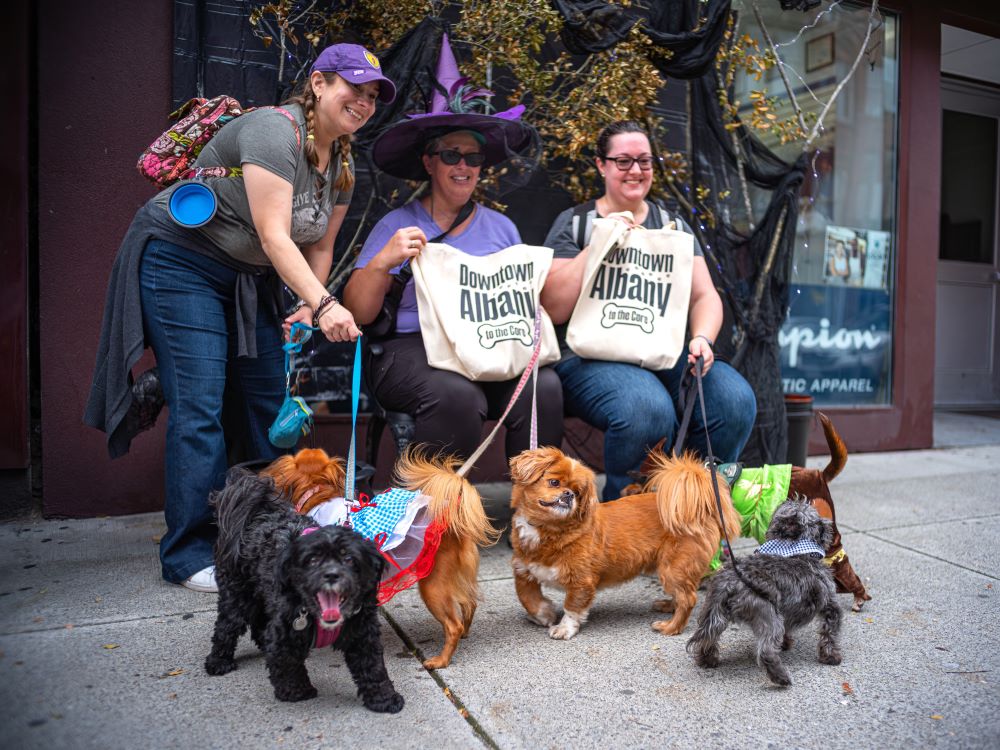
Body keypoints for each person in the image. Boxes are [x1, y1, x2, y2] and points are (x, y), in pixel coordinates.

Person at [84, 44, 396, 592]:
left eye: (372, 96)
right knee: (201, 403)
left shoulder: (343, 165)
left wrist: (308, 299)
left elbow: (318, 244)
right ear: (319, 84)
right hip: (183, 261)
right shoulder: (274, 132)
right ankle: (189, 554)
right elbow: (276, 234)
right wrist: (326, 306)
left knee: (264, 404)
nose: (363, 102)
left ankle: (268, 534)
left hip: (247, 278)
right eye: (354, 88)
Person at [343, 34, 563, 461]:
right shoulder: (398, 223)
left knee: (545, 386)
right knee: (457, 397)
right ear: (429, 163)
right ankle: (435, 515)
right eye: (450, 155)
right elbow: (358, 313)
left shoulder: (502, 228)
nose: (463, 166)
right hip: (412, 348)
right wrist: (384, 261)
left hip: (489, 343)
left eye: (473, 158)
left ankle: (537, 513)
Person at [541, 120, 757, 502]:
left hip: (664, 354)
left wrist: (702, 339)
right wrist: (600, 242)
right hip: (588, 358)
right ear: (600, 165)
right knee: (646, 408)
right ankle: (625, 519)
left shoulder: (672, 227)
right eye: (623, 161)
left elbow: (705, 296)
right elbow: (554, 308)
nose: (636, 171)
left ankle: (696, 506)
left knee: (733, 398)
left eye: (644, 161)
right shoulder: (575, 224)